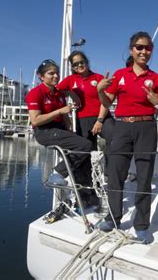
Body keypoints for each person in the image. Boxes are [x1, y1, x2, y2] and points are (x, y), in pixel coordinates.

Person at [96, 31, 158, 244]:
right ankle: (113, 218)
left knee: (144, 177)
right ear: (131, 50)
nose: (144, 51)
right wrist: (100, 91)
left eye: (148, 48)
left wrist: (157, 103)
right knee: (116, 175)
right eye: (139, 47)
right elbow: (107, 104)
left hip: (146, 127)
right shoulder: (120, 75)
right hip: (122, 127)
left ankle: (142, 225)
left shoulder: (156, 79)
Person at [25, 59, 97, 207]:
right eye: (51, 73)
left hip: (60, 128)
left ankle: (85, 197)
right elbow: (36, 120)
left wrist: (70, 127)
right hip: (45, 131)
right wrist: (60, 111)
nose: (56, 76)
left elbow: (65, 115)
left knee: (84, 155)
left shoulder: (58, 94)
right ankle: (57, 173)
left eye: (57, 73)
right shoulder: (35, 93)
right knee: (85, 145)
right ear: (41, 76)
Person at [57, 51, 112, 151]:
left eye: (81, 62)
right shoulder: (70, 79)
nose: (79, 65)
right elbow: (56, 92)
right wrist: (70, 93)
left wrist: (99, 121)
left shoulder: (98, 77)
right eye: (75, 64)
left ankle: (110, 166)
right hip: (83, 119)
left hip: (103, 117)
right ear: (72, 67)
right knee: (85, 150)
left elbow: (106, 102)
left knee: (115, 138)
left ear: (86, 62)